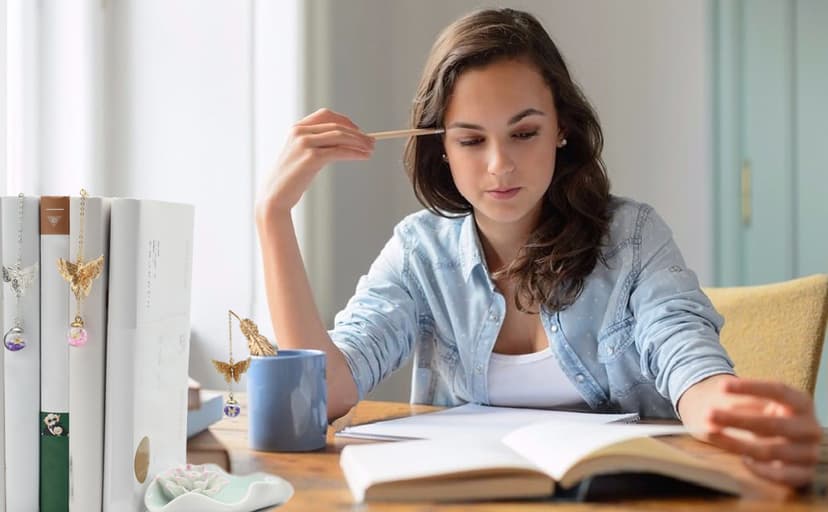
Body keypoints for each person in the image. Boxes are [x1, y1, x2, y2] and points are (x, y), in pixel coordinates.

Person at [255, 8, 821, 488]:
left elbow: (686, 355)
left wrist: (721, 405)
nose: (499, 165)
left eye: (524, 133)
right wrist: (273, 216)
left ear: (562, 129)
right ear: (442, 150)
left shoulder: (633, 238)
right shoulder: (419, 252)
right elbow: (321, 396)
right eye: (471, 140)